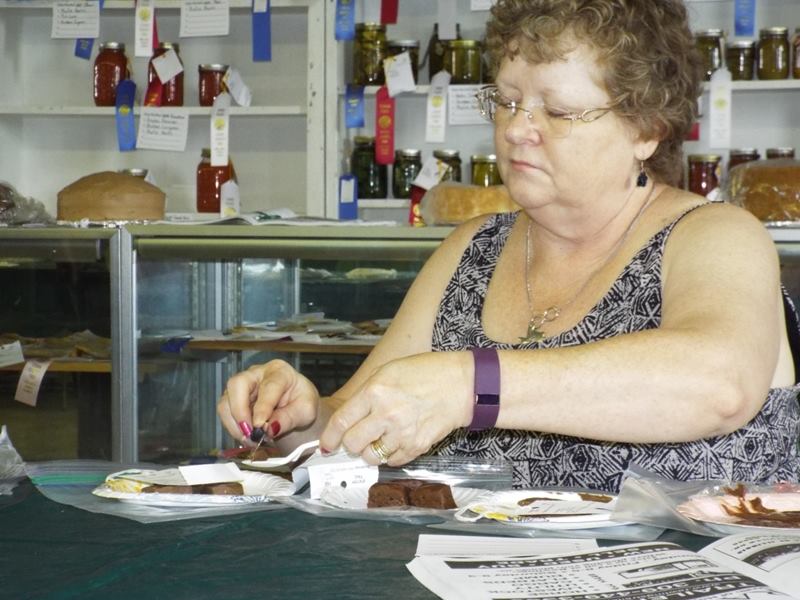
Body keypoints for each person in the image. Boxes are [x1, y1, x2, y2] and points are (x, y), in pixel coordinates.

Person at [218, 0, 800, 493]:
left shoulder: (715, 234)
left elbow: (719, 385)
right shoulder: (473, 251)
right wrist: (299, 418)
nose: (518, 129)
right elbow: (357, 420)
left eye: (559, 111)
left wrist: (470, 385)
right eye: (507, 101)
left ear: (646, 129)